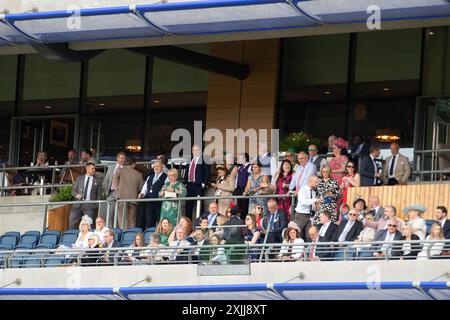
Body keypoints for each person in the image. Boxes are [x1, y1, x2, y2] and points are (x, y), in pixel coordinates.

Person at [114, 157, 145, 230]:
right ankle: (130, 236)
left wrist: (118, 188)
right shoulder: (139, 174)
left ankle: (123, 235)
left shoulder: (120, 170)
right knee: (132, 220)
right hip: (133, 200)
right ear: (133, 164)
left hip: (121, 199)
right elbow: (140, 188)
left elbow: (115, 180)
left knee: (122, 220)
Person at [69, 162, 102, 230]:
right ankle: (73, 238)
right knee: (72, 223)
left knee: (89, 225)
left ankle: (88, 239)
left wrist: (95, 206)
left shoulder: (98, 180)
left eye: (94, 169)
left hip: (90, 205)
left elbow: (99, 195)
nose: (94, 170)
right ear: (87, 169)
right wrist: (77, 195)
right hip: (78, 204)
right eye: (92, 168)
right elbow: (73, 191)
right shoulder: (79, 178)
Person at [183, 144, 210, 221]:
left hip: (198, 186)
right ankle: (188, 223)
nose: (195, 152)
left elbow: (207, 173)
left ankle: (200, 224)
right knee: (188, 206)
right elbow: (187, 172)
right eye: (194, 150)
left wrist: (203, 184)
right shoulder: (190, 159)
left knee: (199, 205)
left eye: (197, 150)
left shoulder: (204, 159)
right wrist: (185, 183)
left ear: (200, 151)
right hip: (189, 185)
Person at [139, 160, 167, 229]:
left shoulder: (166, 177)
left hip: (159, 203)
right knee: (149, 222)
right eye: (155, 167)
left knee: (160, 222)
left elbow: (166, 188)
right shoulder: (149, 177)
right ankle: (150, 237)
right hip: (149, 203)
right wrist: (142, 193)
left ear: (162, 167)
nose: (156, 168)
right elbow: (145, 187)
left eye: (158, 166)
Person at [294, 175, 322, 241]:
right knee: (299, 234)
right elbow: (304, 202)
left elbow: (312, 204)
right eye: (316, 182)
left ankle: (308, 251)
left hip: (310, 215)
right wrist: (316, 199)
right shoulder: (302, 190)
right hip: (300, 215)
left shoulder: (313, 192)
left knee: (309, 235)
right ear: (310, 181)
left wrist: (316, 207)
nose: (317, 184)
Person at [102, 151, 126, 227]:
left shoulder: (126, 168)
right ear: (117, 158)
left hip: (121, 194)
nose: (123, 160)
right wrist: (106, 193)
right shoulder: (112, 167)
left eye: (124, 158)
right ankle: (109, 230)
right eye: (121, 158)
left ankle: (118, 231)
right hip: (111, 193)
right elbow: (106, 180)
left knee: (120, 215)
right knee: (110, 214)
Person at [233, 152, 251, 219]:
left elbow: (250, 178)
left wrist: (247, 189)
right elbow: (237, 178)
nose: (238, 159)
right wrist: (235, 188)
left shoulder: (249, 166)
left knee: (244, 206)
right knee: (238, 206)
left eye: (239, 158)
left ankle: (244, 220)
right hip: (239, 188)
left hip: (245, 188)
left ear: (245, 158)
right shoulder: (239, 167)